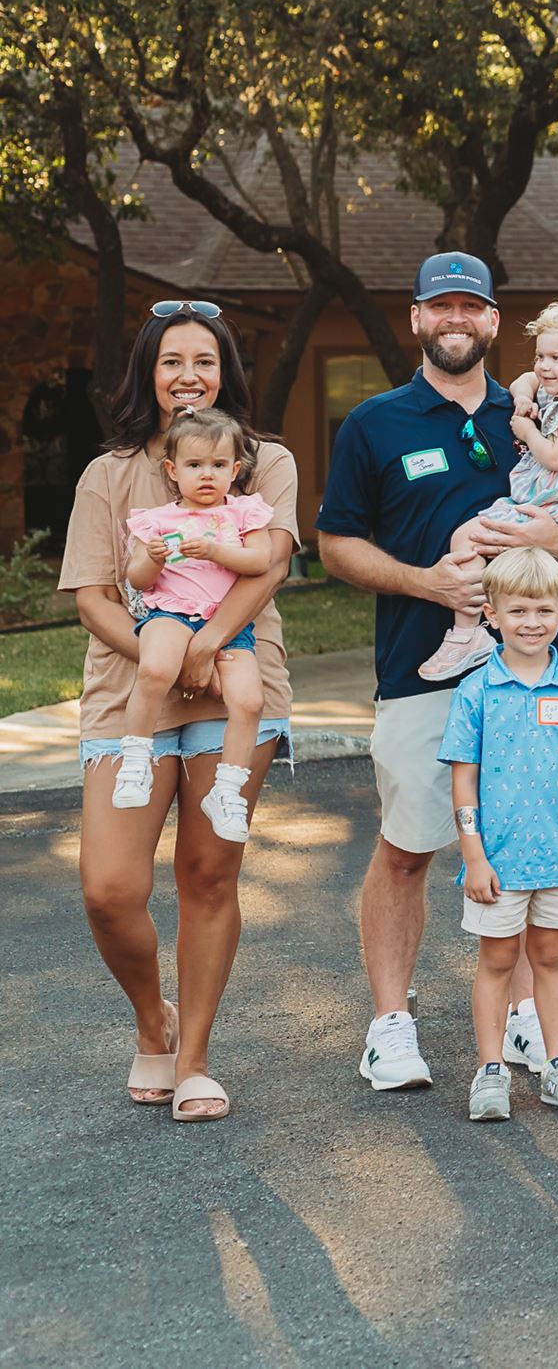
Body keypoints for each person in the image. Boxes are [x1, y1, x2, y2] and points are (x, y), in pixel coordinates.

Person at [321, 252, 558, 1093]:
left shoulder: (545, 405)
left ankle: (529, 1023)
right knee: (411, 845)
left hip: (539, 673)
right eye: (439, 307)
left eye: (472, 308)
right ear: (417, 318)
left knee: (533, 846)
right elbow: (335, 543)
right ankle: (391, 1025)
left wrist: (555, 543)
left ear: (495, 321)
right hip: (423, 671)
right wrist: (427, 581)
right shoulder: (375, 422)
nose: (456, 320)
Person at [63, 304, 297, 1122]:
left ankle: (192, 1058)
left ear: (227, 371)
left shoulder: (264, 462)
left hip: (236, 680)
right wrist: (163, 657)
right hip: (134, 689)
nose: (188, 375)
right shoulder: (110, 474)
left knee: (207, 874)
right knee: (110, 889)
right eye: (171, 362)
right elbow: (94, 595)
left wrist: (207, 650)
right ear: (148, 374)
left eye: (204, 360)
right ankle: (150, 1018)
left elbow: (265, 571)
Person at [443, 547, 558, 1120]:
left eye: (542, 610)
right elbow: (462, 782)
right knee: (495, 962)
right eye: (518, 611)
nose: (531, 623)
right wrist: (474, 854)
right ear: (492, 614)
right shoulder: (477, 691)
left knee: (550, 957)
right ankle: (490, 1072)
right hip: (499, 862)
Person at [418, 296, 558, 681]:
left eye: (556, 358)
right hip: (545, 501)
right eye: (541, 356)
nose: (543, 367)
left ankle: (468, 632)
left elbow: (556, 459)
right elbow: (525, 380)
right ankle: (485, 630)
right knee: (491, 556)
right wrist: (523, 397)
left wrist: (525, 430)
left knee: (466, 538)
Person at [115, 407, 273, 842]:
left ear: (235, 469)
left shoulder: (243, 513)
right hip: (169, 612)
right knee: (155, 670)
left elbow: (260, 561)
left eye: (219, 465)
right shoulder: (157, 521)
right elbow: (138, 580)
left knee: (249, 700)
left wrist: (215, 550)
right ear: (173, 469)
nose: (207, 475)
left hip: (226, 622)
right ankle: (135, 761)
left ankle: (226, 790)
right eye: (195, 465)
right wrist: (151, 557)